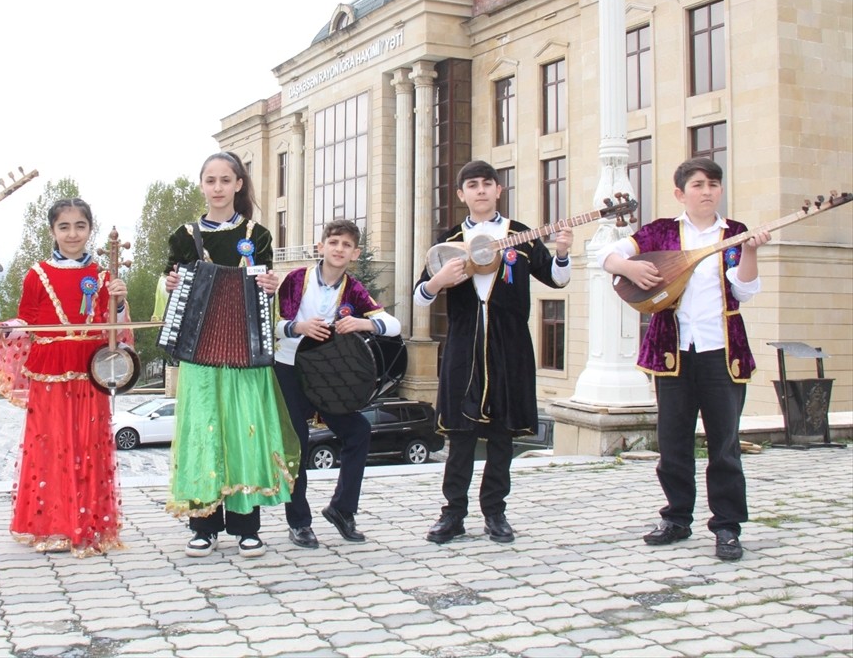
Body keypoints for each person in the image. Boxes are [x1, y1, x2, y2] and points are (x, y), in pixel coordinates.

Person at [601, 158, 769, 561]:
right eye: (697, 184)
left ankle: (727, 526)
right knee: (674, 443)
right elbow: (608, 254)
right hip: (673, 353)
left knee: (724, 444)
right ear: (681, 193)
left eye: (713, 183)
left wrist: (748, 252)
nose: (706, 191)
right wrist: (628, 267)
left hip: (721, 352)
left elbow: (744, 292)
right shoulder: (660, 232)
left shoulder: (735, 234)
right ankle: (676, 518)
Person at [413, 160, 572, 545]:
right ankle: (452, 515)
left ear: (499, 190)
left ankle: (495, 514)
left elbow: (556, 278)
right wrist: (438, 281)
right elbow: (420, 296)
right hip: (464, 342)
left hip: (509, 342)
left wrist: (563, 251)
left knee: (502, 433)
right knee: (460, 434)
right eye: (473, 185)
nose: (481, 190)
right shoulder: (448, 239)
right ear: (461, 194)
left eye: (488, 184)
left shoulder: (521, 236)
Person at [163, 151, 299, 558]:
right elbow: (172, 289)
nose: (218, 188)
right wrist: (170, 283)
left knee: (245, 431)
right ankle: (203, 525)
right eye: (211, 180)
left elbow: (263, 285)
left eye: (226, 180)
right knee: (201, 432)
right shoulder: (184, 236)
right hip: (200, 349)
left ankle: (246, 525)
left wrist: (270, 284)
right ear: (202, 185)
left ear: (239, 184)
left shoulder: (257, 234)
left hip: (244, 346)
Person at [0, 198, 126, 557]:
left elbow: (118, 333)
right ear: (52, 231)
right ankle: (54, 524)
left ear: (90, 229)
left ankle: (90, 524)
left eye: (80, 226)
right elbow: (26, 323)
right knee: (53, 445)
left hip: (90, 369)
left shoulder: (107, 275)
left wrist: (119, 303)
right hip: (50, 370)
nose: (72, 233)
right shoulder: (36, 274)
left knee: (89, 445)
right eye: (64, 226)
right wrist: (1, 330)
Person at [274, 219, 401, 548]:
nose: (339, 249)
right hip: (290, 370)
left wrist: (362, 323)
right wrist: (299, 328)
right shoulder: (297, 280)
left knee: (358, 431)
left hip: (329, 378)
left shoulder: (354, 289)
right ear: (321, 247)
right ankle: (299, 522)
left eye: (346, 245)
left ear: (354, 252)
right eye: (334, 243)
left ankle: (342, 510)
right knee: (297, 444)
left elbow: (393, 325)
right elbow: (275, 324)